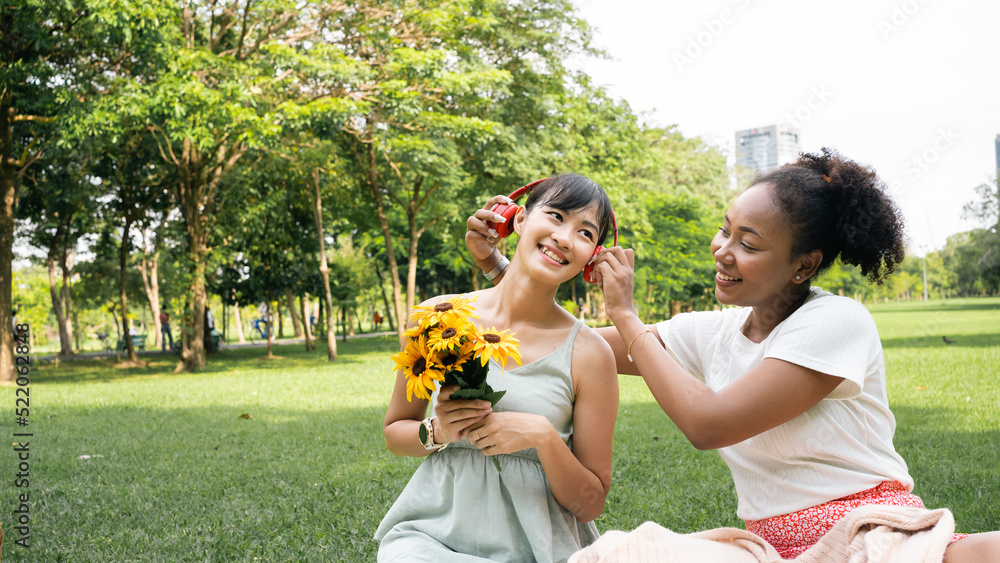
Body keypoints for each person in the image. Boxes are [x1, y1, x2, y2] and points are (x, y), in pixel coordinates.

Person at [466, 149, 1000, 561]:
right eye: (726, 229)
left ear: (803, 265)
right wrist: (505, 270)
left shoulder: (836, 321)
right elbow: (568, 347)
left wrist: (627, 316)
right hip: (767, 548)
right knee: (617, 554)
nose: (723, 249)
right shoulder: (715, 331)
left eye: (749, 243)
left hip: (867, 533)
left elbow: (708, 424)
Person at [376, 174, 620, 562]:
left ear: (593, 257)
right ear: (518, 220)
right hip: (431, 539)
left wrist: (543, 436)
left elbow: (590, 505)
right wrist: (437, 431)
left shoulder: (591, 353)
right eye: (555, 216)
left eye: (585, 233)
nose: (564, 237)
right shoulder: (437, 317)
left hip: (539, 549)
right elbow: (394, 432)